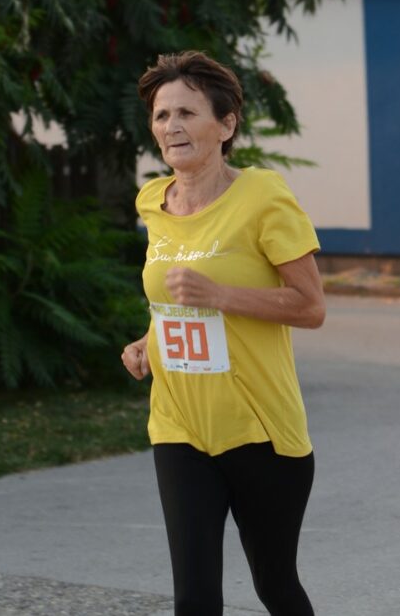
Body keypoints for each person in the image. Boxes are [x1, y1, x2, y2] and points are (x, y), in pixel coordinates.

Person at [121, 50, 325, 616]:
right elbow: (171, 301)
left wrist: (222, 296)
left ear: (226, 124)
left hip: (260, 429)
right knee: (194, 597)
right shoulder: (152, 201)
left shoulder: (263, 196)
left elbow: (311, 307)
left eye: (187, 113)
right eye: (162, 115)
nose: (172, 126)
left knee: (275, 586)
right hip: (180, 423)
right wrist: (147, 342)